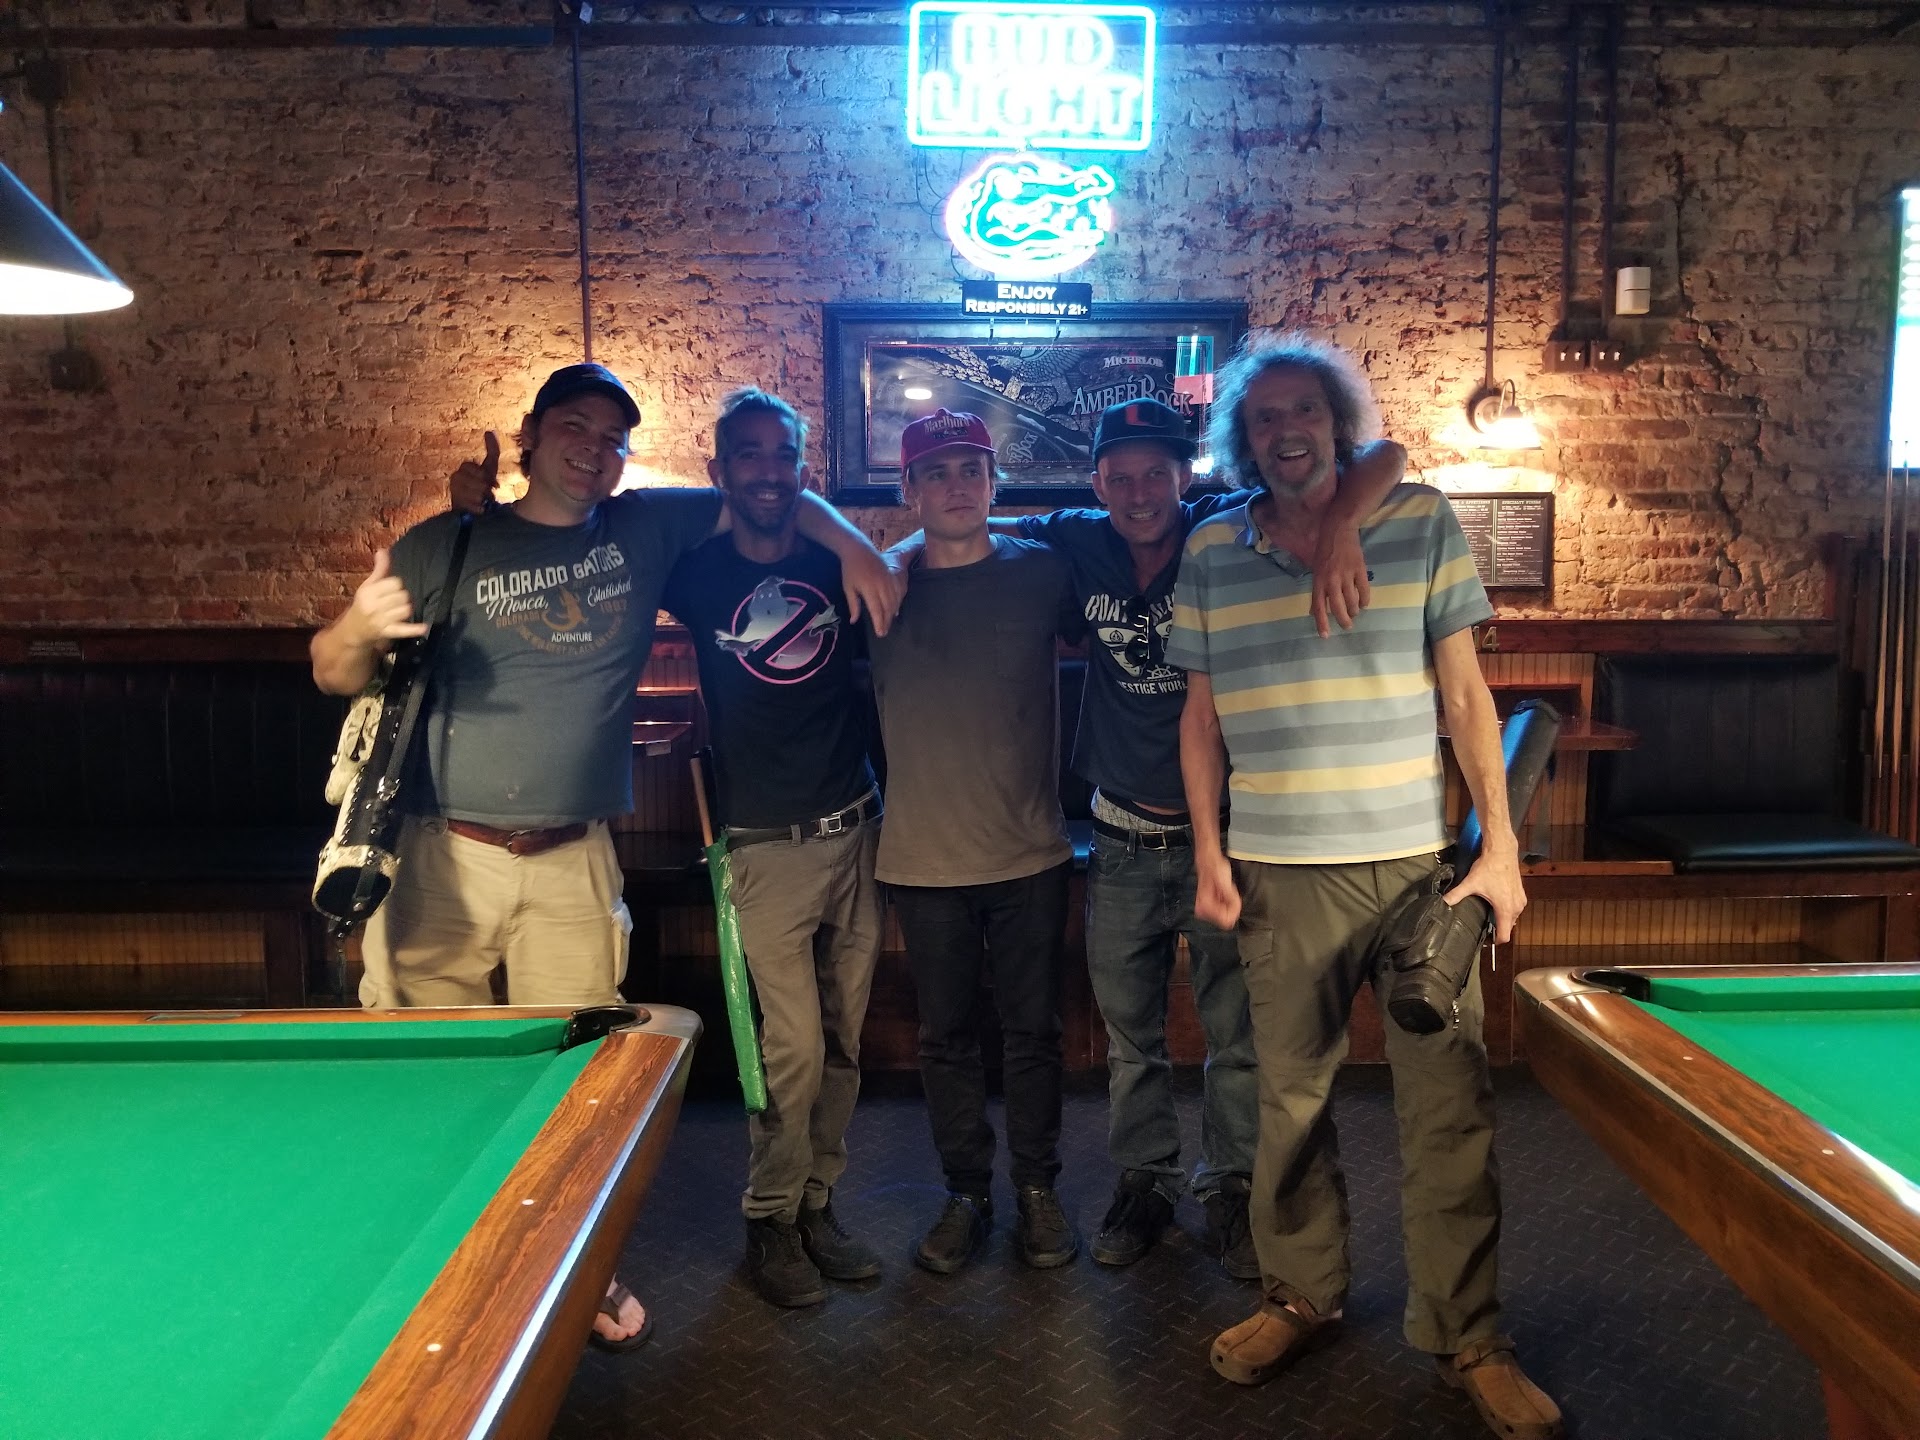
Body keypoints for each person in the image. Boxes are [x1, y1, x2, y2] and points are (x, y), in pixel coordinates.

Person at [316, 361, 899, 1351]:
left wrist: (856, 544)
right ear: (530, 436)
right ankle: (442, 1269)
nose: (594, 450)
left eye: (612, 437)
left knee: (581, 1080)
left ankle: (572, 1264)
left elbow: (769, 490)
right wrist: (355, 633)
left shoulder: (644, 528)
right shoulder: (446, 542)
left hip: (577, 854)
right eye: (574, 429)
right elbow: (333, 668)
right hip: (445, 850)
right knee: (440, 1072)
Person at [889, 397, 1404, 1278]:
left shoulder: (1226, 522)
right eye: (1120, 477)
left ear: (1185, 476)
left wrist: (1347, 522)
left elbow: (1386, 455)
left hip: (1226, 838)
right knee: (1132, 1043)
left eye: (1156, 474)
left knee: (1233, 1035)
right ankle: (1147, 1183)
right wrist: (892, 553)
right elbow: (960, 528)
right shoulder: (1071, 540)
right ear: (1096, 484)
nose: (1138, 493)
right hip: (1121, 837)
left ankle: (1229, 1186)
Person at [1169, 333, 1563, 1440]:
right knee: (1289, 1103)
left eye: (1304, 411)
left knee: (1450, 1109)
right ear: (1243, 440)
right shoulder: (1213, 549)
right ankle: (1300, 1295)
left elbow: (1468, 700)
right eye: (1263, 419)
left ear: (1336, 423)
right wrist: (1209, 852)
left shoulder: (1417, 519)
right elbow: (1198, 722)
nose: (1285, 431)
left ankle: (1469, 1336)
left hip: (1414, 872)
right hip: (1277, 875)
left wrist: (1499, 854)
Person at [660, 388, 885, 1310]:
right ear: (719, 469)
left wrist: (855, 541)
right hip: (762, 848)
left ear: (803, 467)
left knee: (843, 1043)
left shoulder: (835, 564)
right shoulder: (694, 571)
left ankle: (816, 1202)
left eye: (783, 455)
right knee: (790, 1050)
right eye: (748, 455)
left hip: (856, 830)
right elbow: (619, 525)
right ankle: (768, 1217)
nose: (768, 472)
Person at [869, 410, 1084, 1276]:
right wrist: (890, 556)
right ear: (910, 489)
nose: (956, 487)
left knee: (1034, 1034)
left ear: (994, 483)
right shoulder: (878, 587)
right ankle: (967, 1193)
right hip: (924, 859)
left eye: (971, 470)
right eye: (937, 472)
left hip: (1031, 853)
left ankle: (1036, 1189)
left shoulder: (1044, 571)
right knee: (945, 1038)